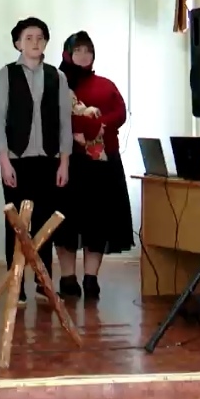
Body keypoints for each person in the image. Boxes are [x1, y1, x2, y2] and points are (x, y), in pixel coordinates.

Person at [0, 17, 72, 305]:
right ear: (18, 43)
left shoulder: (57, 76)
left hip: (49, 160)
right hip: (16, 160)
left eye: (40, 38)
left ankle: (42, 283)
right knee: (16, 225)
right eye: (28, 38)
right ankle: (17, 284)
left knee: (45, 224)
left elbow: (65, 122)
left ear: (46, 42)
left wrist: (64, 162)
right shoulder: (6, 75)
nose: (35, 43)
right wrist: (3, 161)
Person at [56, 31, 134, 299]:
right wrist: (82, 130)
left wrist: (99, 126)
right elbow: (56, 118)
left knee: (98, 222)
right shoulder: (58, 83)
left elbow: (120, 112)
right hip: (70, 162)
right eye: (77, 50)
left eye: (87, 50)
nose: (83, 55)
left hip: (104, 163)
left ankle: (91, 278)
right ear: (68, 54)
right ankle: (67, 278)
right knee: (67, 223)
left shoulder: (105, 84)